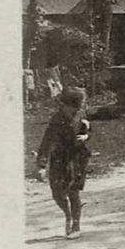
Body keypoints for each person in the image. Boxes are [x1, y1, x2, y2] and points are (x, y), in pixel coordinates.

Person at [35, 87, 91, 238]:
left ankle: (76, 225)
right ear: (64, 105)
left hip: (77, 157)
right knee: (57, 193)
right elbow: (47, 141)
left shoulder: (80, 115)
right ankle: (68, 214)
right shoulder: (56, 120)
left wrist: (86, 137)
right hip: (59, 159)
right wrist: (42, 164)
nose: (75, 111)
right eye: (72, 108)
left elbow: (86, 129)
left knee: (73, 191)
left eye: (78, 108)